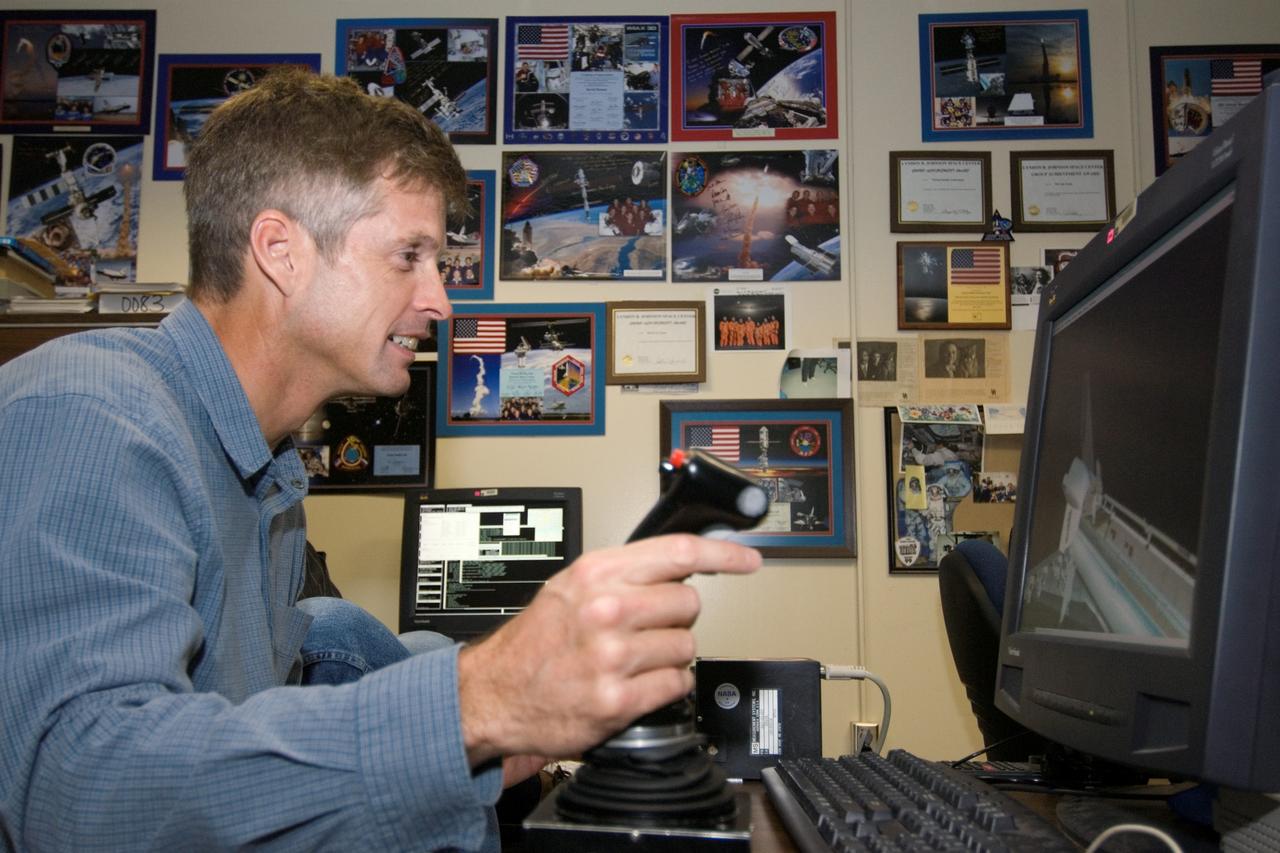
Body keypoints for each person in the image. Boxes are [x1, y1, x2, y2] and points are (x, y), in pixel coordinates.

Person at [0, 69, 761, 851]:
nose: (441, 299)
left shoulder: (268, 478)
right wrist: (475, 700)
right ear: (280, 251)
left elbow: (253, 746)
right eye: (409, 255)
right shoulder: (93, 412)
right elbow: (82, 790)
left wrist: (483, 743)